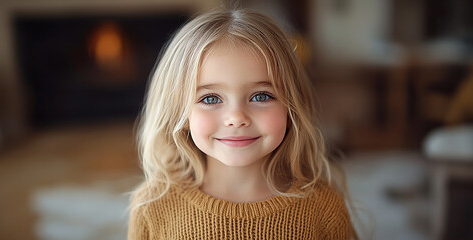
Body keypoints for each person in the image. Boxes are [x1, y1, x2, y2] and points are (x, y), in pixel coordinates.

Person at [128, 8, 356, 239]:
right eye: (210, 98)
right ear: (181, 114)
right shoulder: (152, 206)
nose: (236, 117)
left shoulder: (324, 207)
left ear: (291, 108)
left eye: (261, 96)